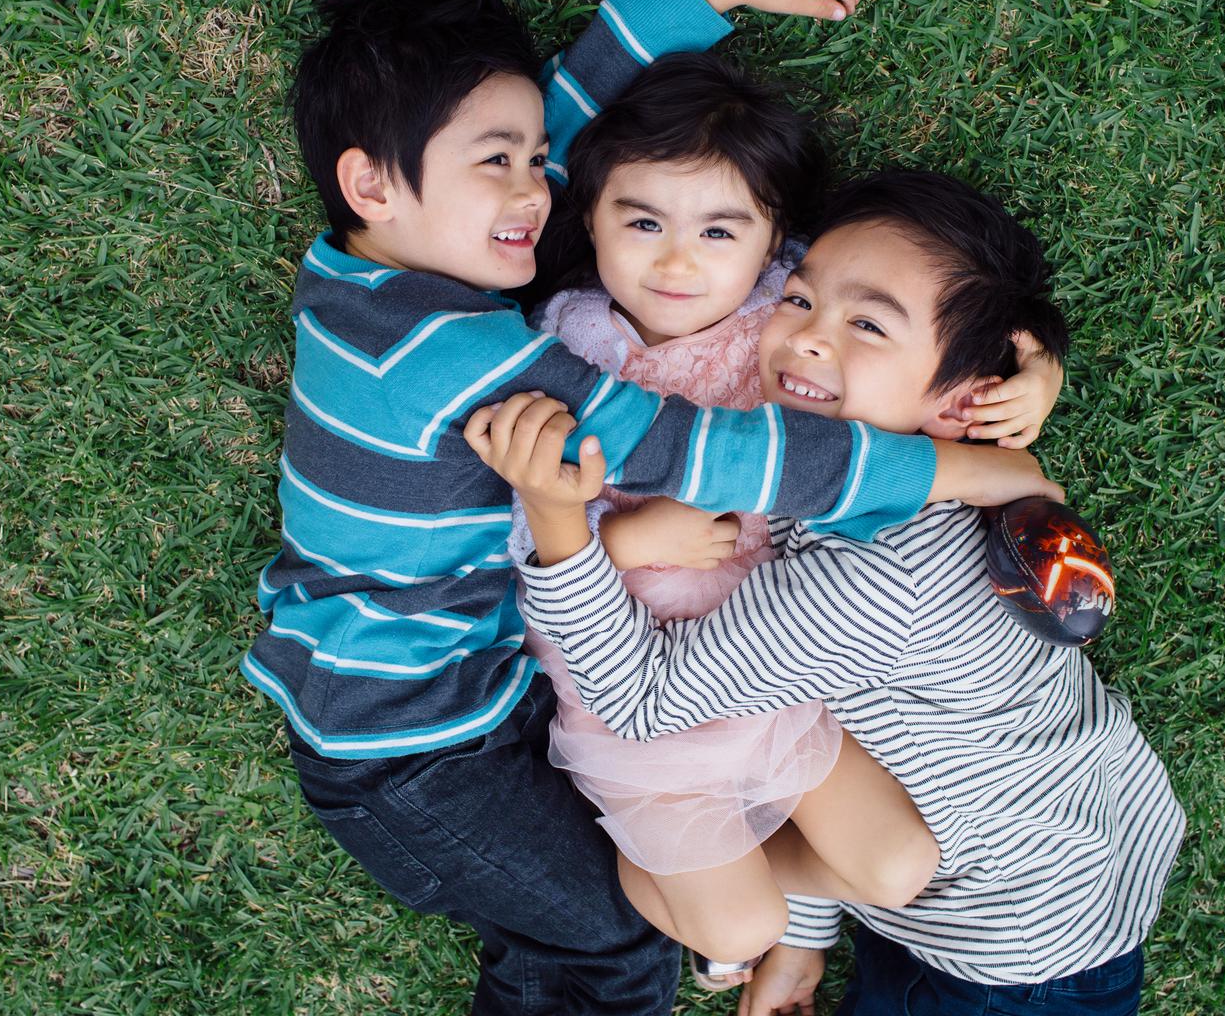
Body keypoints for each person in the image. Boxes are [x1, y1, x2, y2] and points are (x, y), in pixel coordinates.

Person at [247, 0, 1063, 1015]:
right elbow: (700, 452)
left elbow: (578, 143)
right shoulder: (445, 354)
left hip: (483, 697)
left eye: (535, 162)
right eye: (500, 162)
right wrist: (958, 472)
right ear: (371, 182)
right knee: (611, 952)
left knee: (669, 900)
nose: (537, 188)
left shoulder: (368, 283)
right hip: (409, 753)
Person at [473, 171, 1185, 1016]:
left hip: (1004, 960)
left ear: (966, 402)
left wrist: (562, 526)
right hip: (1093, 836)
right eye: (801, 300)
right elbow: (827, 739)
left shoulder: (866, 580)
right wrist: (804, 940)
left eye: (867, 324)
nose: (808, 337)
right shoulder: (959, 482)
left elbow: (642, 697)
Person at [510, 55, 1067, 990]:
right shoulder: (555, 346)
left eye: (719, 230)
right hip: (626, 685)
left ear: (771, 241)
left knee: (898, 867)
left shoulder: (780, 308)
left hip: (771, 676)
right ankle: (667, 869)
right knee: (736, 930)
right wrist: (624, 542)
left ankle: (736, 877)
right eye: (641, 222)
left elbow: (910, 293)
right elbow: (513, 515)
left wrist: (1032, 355)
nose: (679, 261)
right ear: (590, 218)